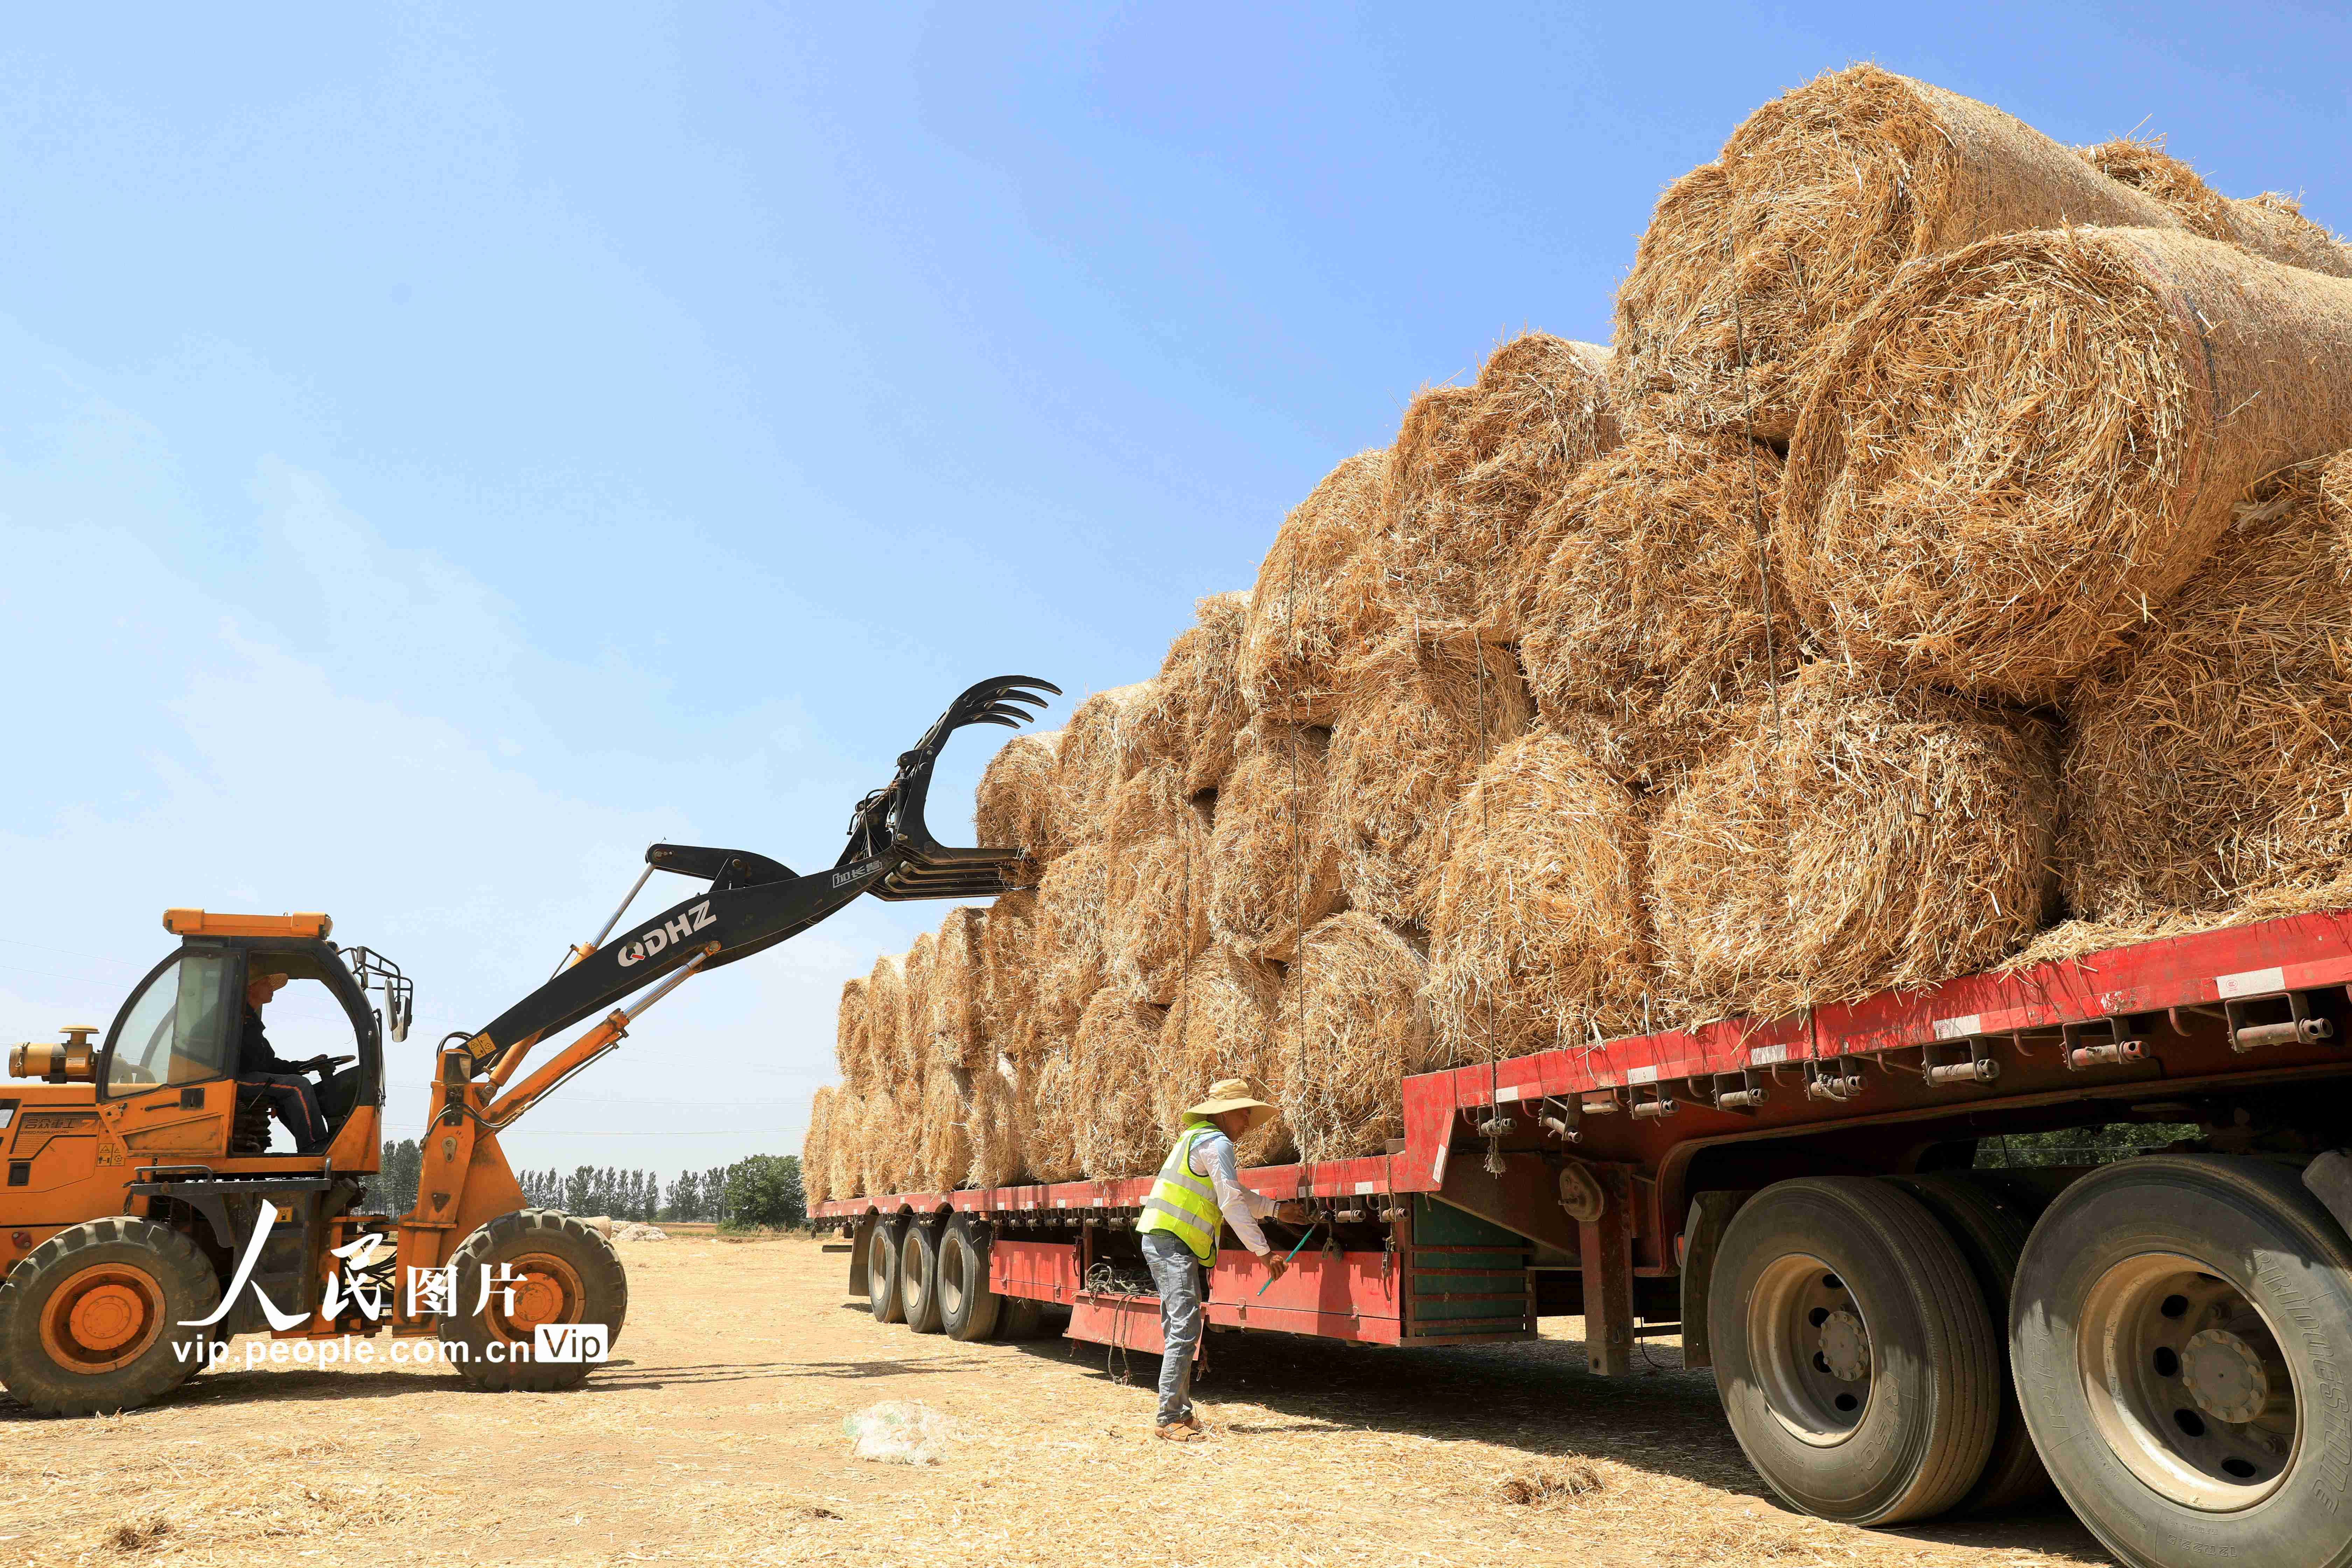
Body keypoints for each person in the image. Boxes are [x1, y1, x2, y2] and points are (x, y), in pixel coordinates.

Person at [1134, 1079, 1313, 1442]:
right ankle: (1169, 1417)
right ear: (1225, 1113)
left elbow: (1232, 1192)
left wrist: (1277, 1210)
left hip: (1166, 1238)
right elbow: (1230, 1202)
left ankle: (1180, 1412)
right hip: (1172, 1240)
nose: (1248, 1120)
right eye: (1245, 1112)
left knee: (1179, 1327)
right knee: (1185, 1326)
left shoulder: (1197, 1137)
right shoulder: (1217, 1143)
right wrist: (1263, 1252)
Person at [236, 970, 348, 1155]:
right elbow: (258, 1065)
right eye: (267, 983)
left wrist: (302, 1066)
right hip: (234, 1078)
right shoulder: (238, 1021)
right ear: (251, 987)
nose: (272, 988)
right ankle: (314, 1146)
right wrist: (295, 1073)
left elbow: (268, 1064)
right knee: (298, 1087)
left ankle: (313, 1144)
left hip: (247, 1075)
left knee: (291, 1086)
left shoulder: (250, 1023)